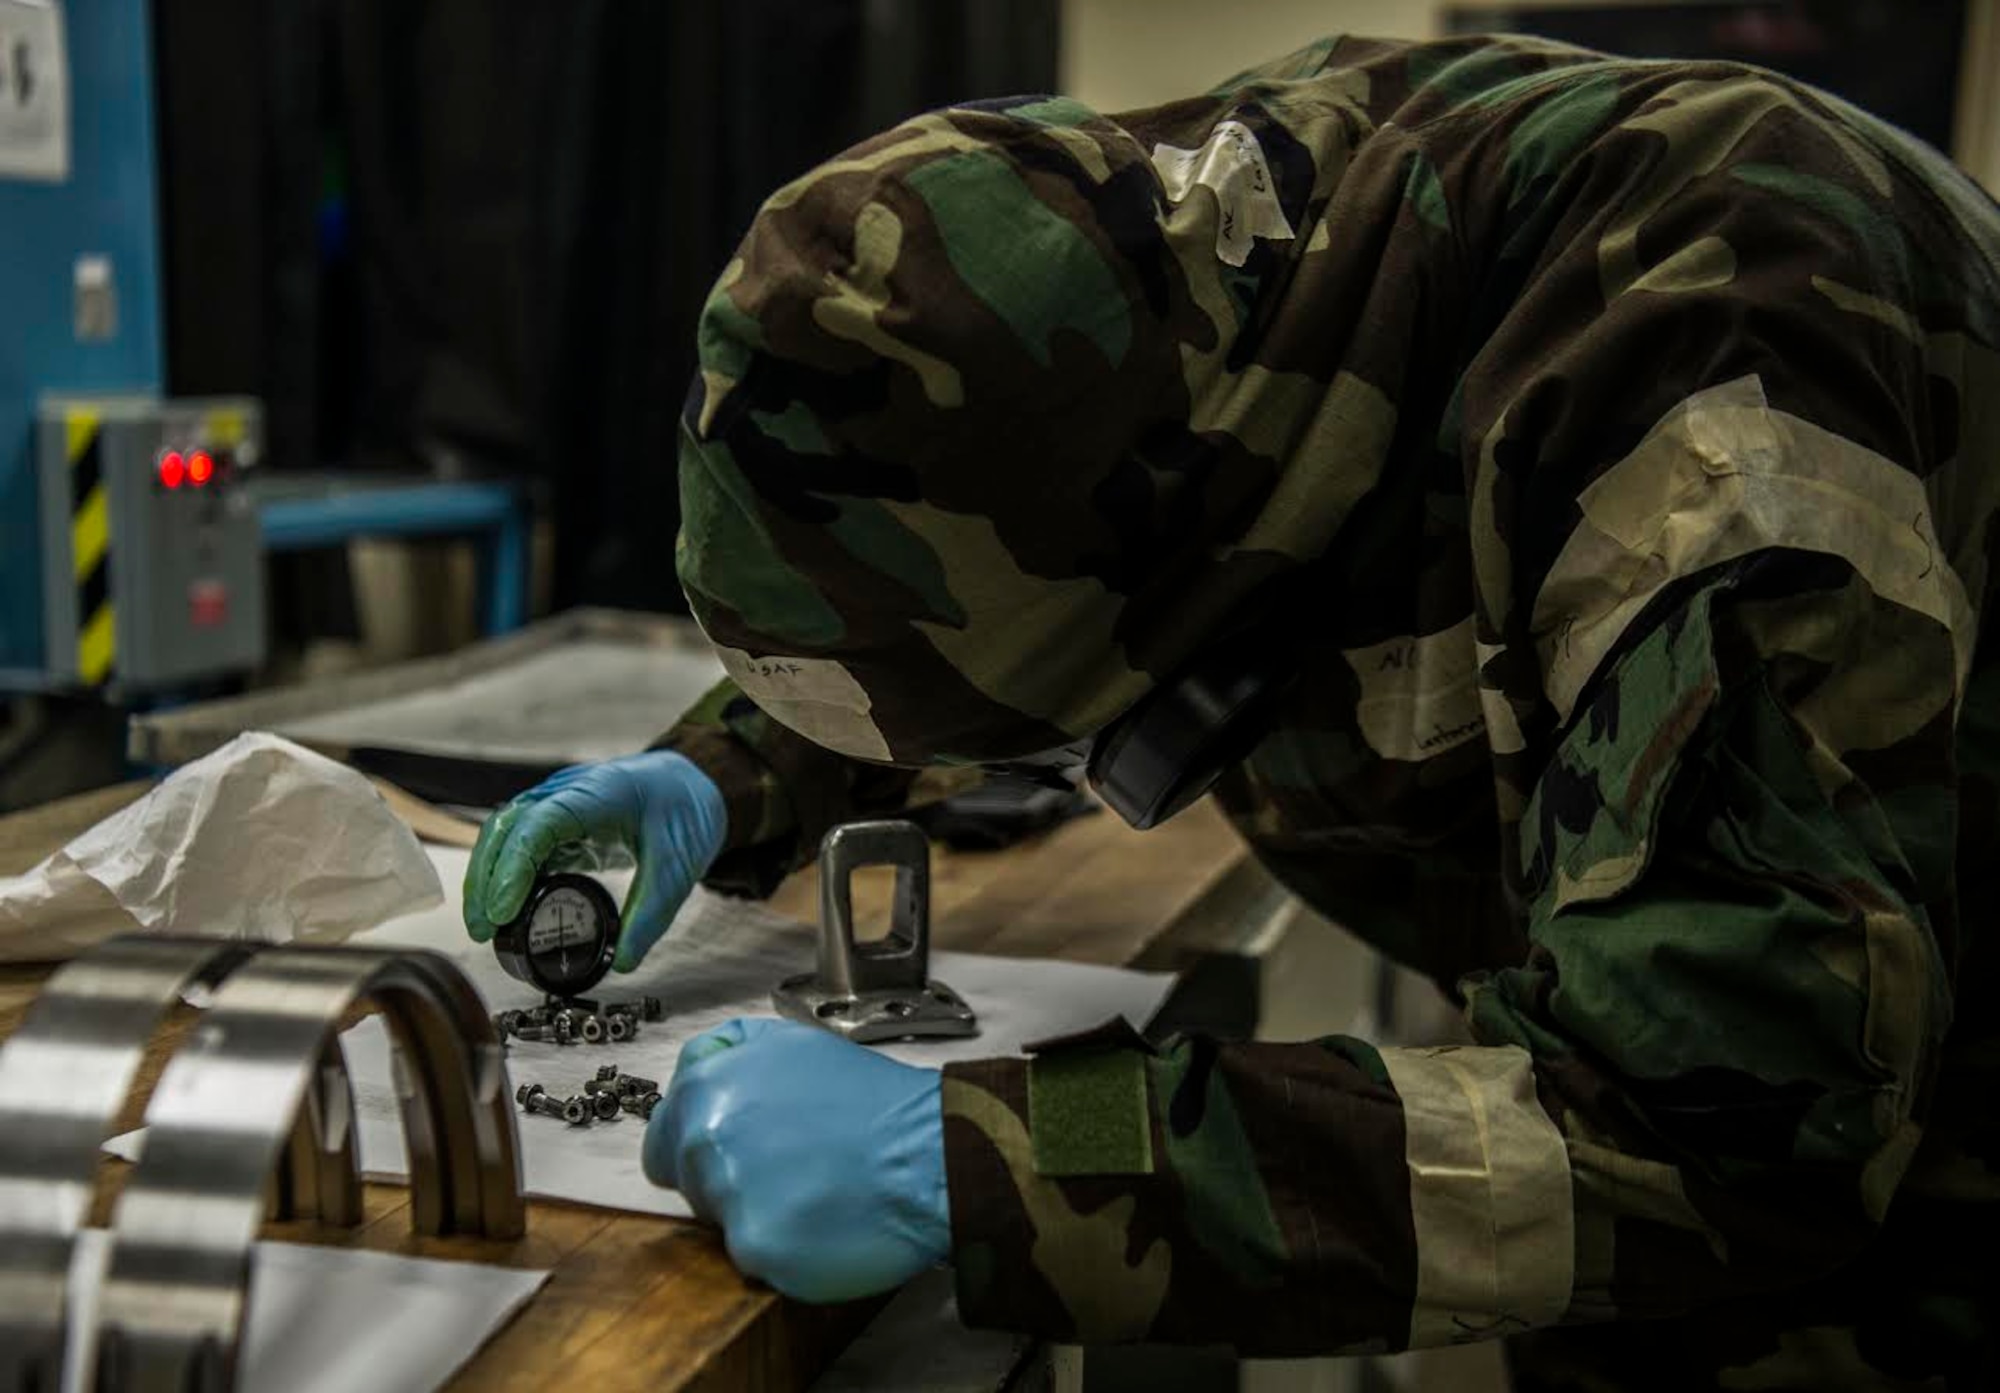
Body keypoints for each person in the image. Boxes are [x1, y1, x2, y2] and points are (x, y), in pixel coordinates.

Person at [463, 31, 1999, 1391]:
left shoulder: (1707, 399)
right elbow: (989, 532)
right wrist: (730, 770)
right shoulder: (1193, 272)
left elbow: (1721, 1123)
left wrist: (983, 1159)